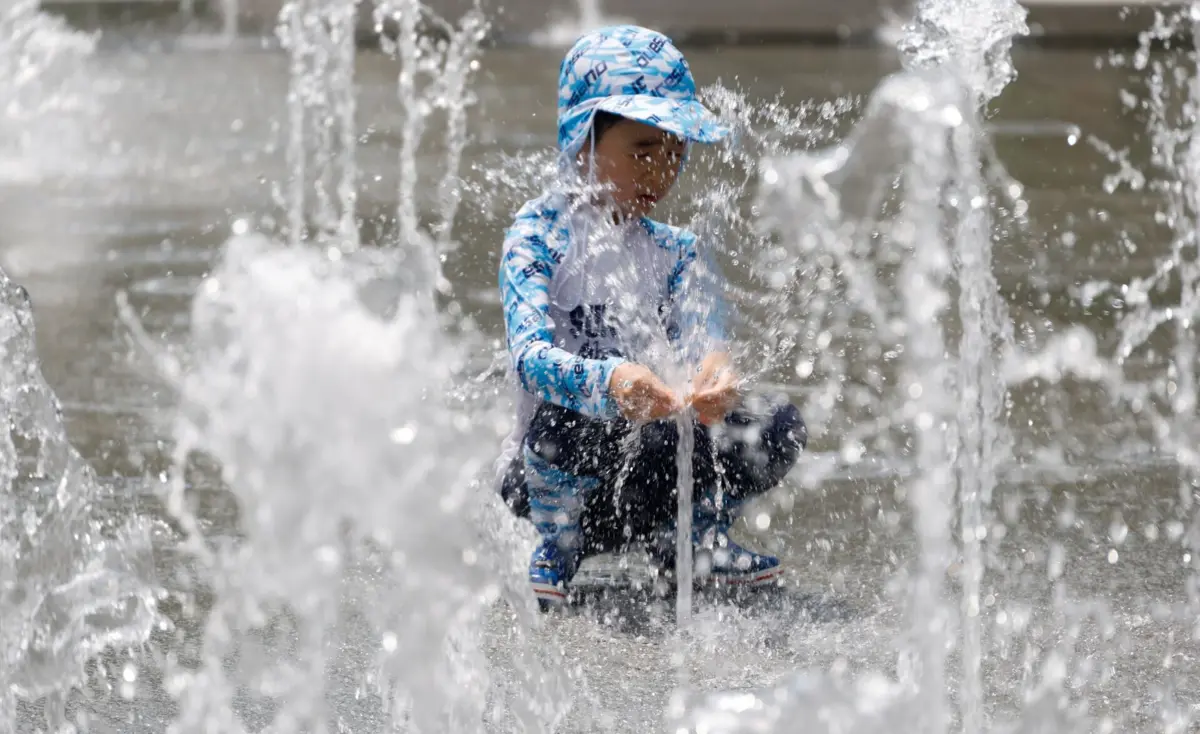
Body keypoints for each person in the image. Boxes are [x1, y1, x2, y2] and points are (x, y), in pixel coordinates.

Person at [495, 24, 806, 609]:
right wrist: (610, 382)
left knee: (776, 425)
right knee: (571, 419)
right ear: (584, 142)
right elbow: (531, 358)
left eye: (675, 155)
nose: (660, 174)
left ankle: (686, 537)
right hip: (554, 470)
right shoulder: (537, 237)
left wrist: (715, 376)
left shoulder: (676, 251)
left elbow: (705, 338)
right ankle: (556, 546)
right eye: (642, 151)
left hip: (645, 472)